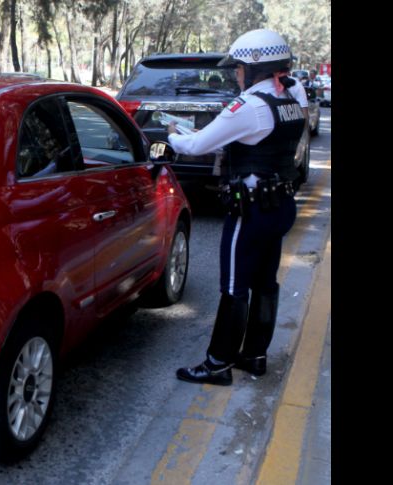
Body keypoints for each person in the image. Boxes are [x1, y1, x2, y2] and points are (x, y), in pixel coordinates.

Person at [167, 29, 305, 386]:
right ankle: (255, 356)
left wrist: (172, 135)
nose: (237, 75)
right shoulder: (288, 98)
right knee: (265, 281)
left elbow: (195, 144)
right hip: (279, 206)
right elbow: (261, 146)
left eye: (239, 68)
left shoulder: (250, 106)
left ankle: (217, 364)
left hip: (252, 211)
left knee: (233, 285)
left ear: (254, 67)